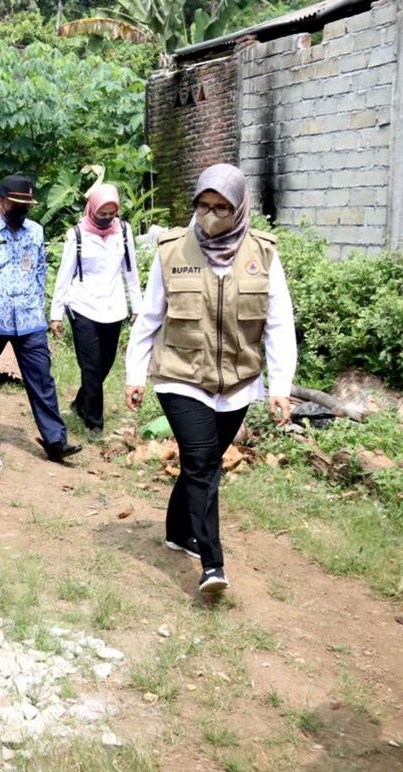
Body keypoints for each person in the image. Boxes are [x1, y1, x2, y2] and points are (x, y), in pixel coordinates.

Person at [125, 164, 296, 595]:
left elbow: (279, 324)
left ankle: (177, 530)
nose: (210, 215)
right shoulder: (172, 251)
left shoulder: (263, 254)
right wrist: (134, 374)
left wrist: (280, 387)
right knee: (203, 462)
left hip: (239, 382)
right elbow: (149, 317)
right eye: (203, 206)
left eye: (221, 207)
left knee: (201, 463)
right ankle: (212, 564)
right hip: (180, 375)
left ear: (239, 207)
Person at [0, 176, 82, 463]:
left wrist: (40, 308)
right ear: (0, 201)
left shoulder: (36, 231)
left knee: (42, 380)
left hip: (30, 321)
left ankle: (55, 442)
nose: (21, 209)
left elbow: (40, 271)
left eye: (25, 205)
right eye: (15, 204)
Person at [51, 184, 143, 440]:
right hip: (83, 306)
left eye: (111, 214)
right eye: (102, 213)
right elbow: (64, 275)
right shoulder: (77, 235)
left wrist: (138, 306)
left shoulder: (123, 231)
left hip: (113, 307)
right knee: (90, 365)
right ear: (91, 209)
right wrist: (56, 313)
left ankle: (80, 402)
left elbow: (131, 272)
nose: (106, 219)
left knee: (105, 363)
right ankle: (94, 423)